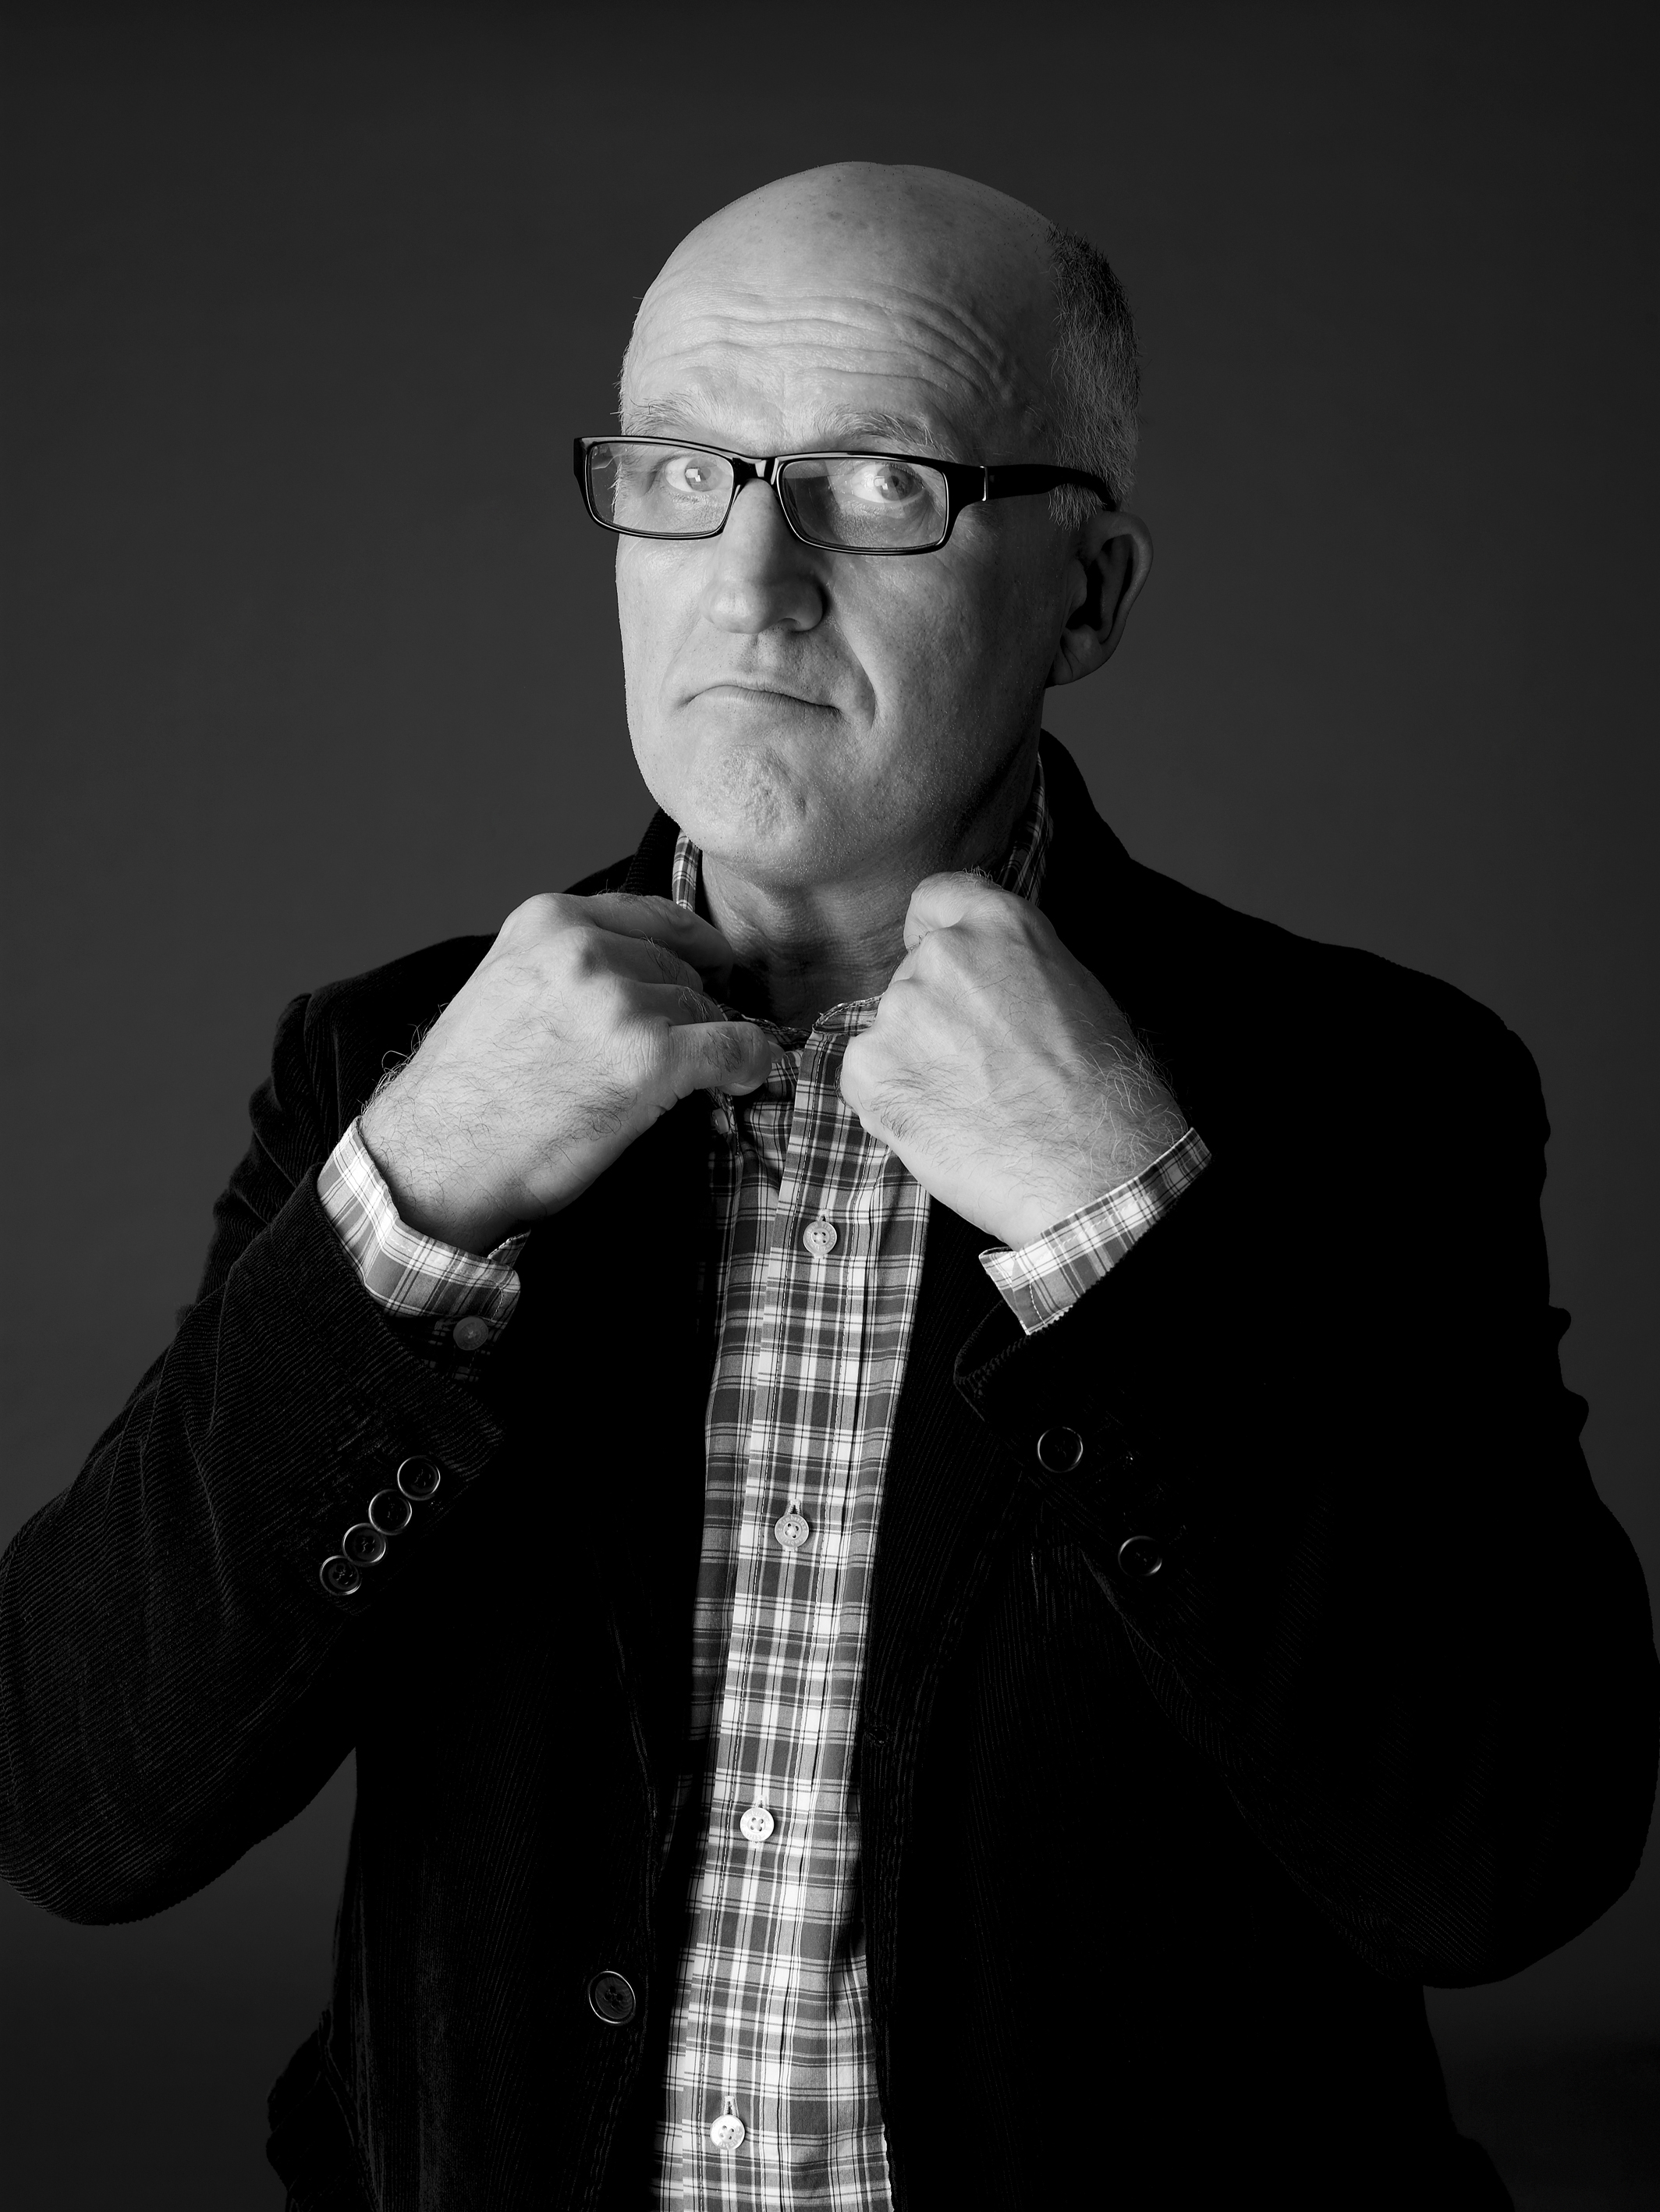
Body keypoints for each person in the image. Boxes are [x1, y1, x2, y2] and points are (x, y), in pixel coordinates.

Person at [0, 161, 1653, 2212]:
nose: (749, 583)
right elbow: (76, 1803)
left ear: (1090, 594)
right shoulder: (394, 1070)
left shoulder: (1370, 1092)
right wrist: (415, 1201)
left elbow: (1496, 1863)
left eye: (881, 484)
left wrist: (1119, 1225)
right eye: (681, 473)